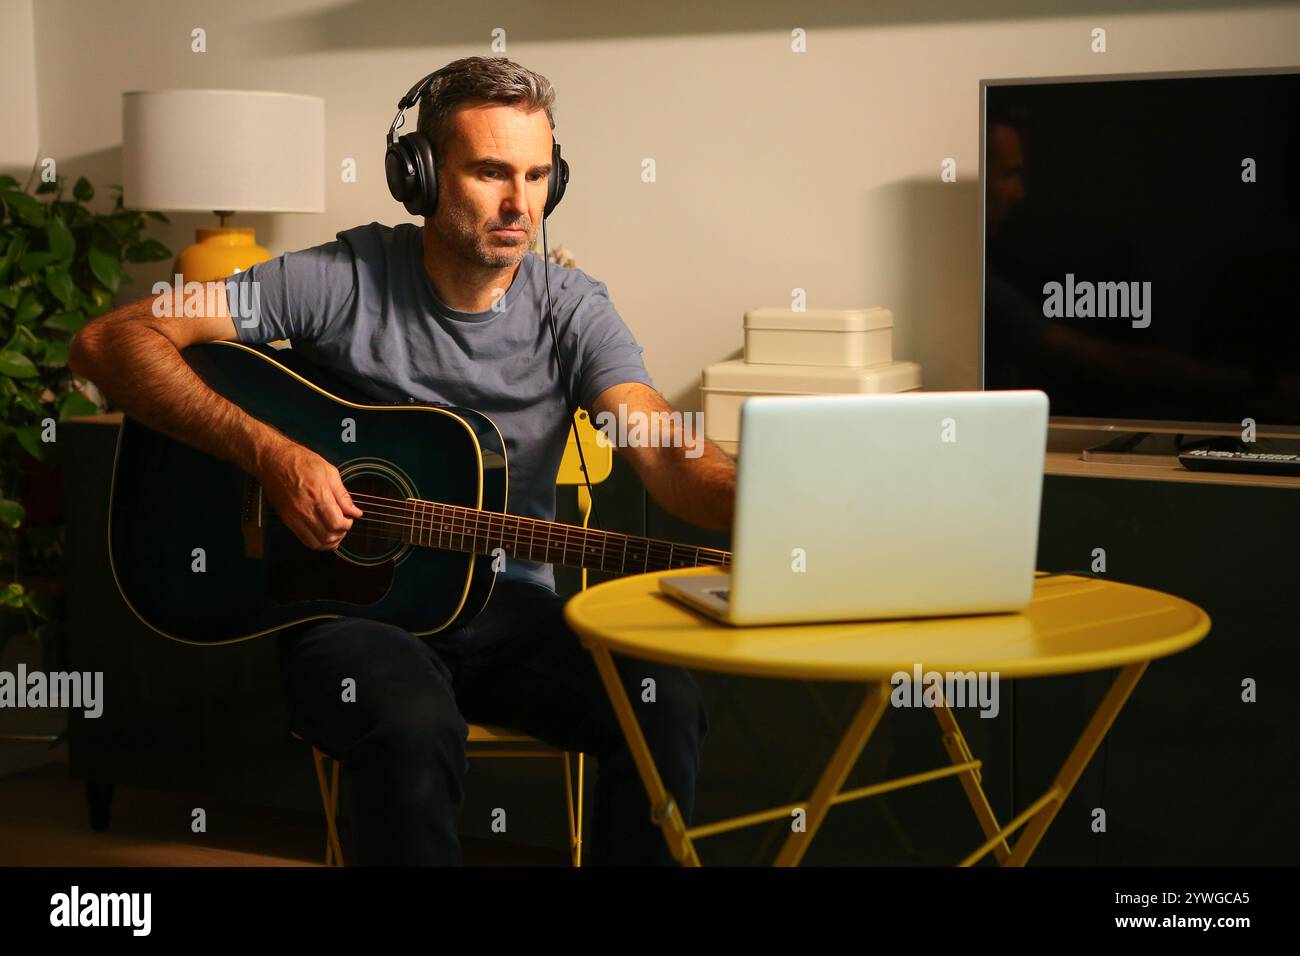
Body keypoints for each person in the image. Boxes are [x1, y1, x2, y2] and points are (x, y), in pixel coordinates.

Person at [69, 56, 738, 866]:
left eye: (536, 175)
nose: (519, 204)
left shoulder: (573, 311)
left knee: (665, 702)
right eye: (491, 171)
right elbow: (112, 341)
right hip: (352, 616)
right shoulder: (341, 278)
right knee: (412, 724)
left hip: (508, 613)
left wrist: (758, 497)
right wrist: (274, 456)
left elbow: (665, 454)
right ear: (419, 175)